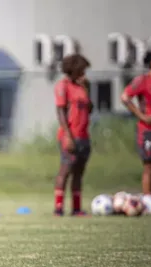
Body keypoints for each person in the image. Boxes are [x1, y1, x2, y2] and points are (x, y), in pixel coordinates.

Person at [53, 54, 93, 217]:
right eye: (82, 70)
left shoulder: (81, 87)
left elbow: (90, 109)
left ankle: (76, 208)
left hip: (84, 135)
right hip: (70, 135)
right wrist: (68, 136)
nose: (84, 73)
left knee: (79, 172)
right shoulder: (63, 86)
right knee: (65, 170)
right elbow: (61, 111)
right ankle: (58, 208)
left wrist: (87, 89)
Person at [121, 49, 151, 198]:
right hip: (148, 130)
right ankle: (148, 199)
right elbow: (125, 97)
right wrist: (142, 116)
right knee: (149, 166)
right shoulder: (142, 81)